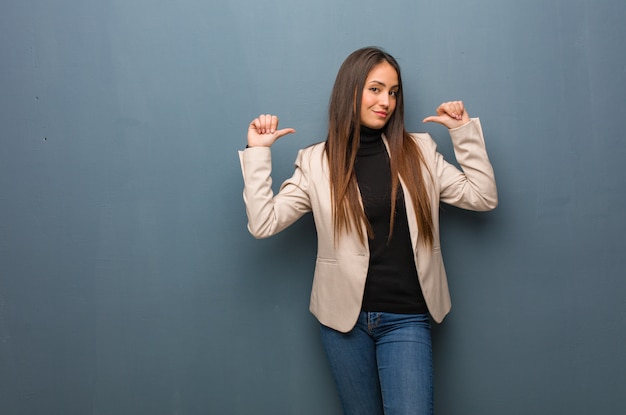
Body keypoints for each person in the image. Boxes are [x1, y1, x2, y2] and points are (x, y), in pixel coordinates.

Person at [238, 46, 497, 415]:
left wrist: (463, 133)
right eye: (376, 89)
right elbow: (263, 223)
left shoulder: (419, 151)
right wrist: (257, 152)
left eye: (393, 92)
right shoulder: (316, 161)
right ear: (351, 90)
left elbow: (482, 197)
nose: (386, 101)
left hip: (407, 317)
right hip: (343, 322)